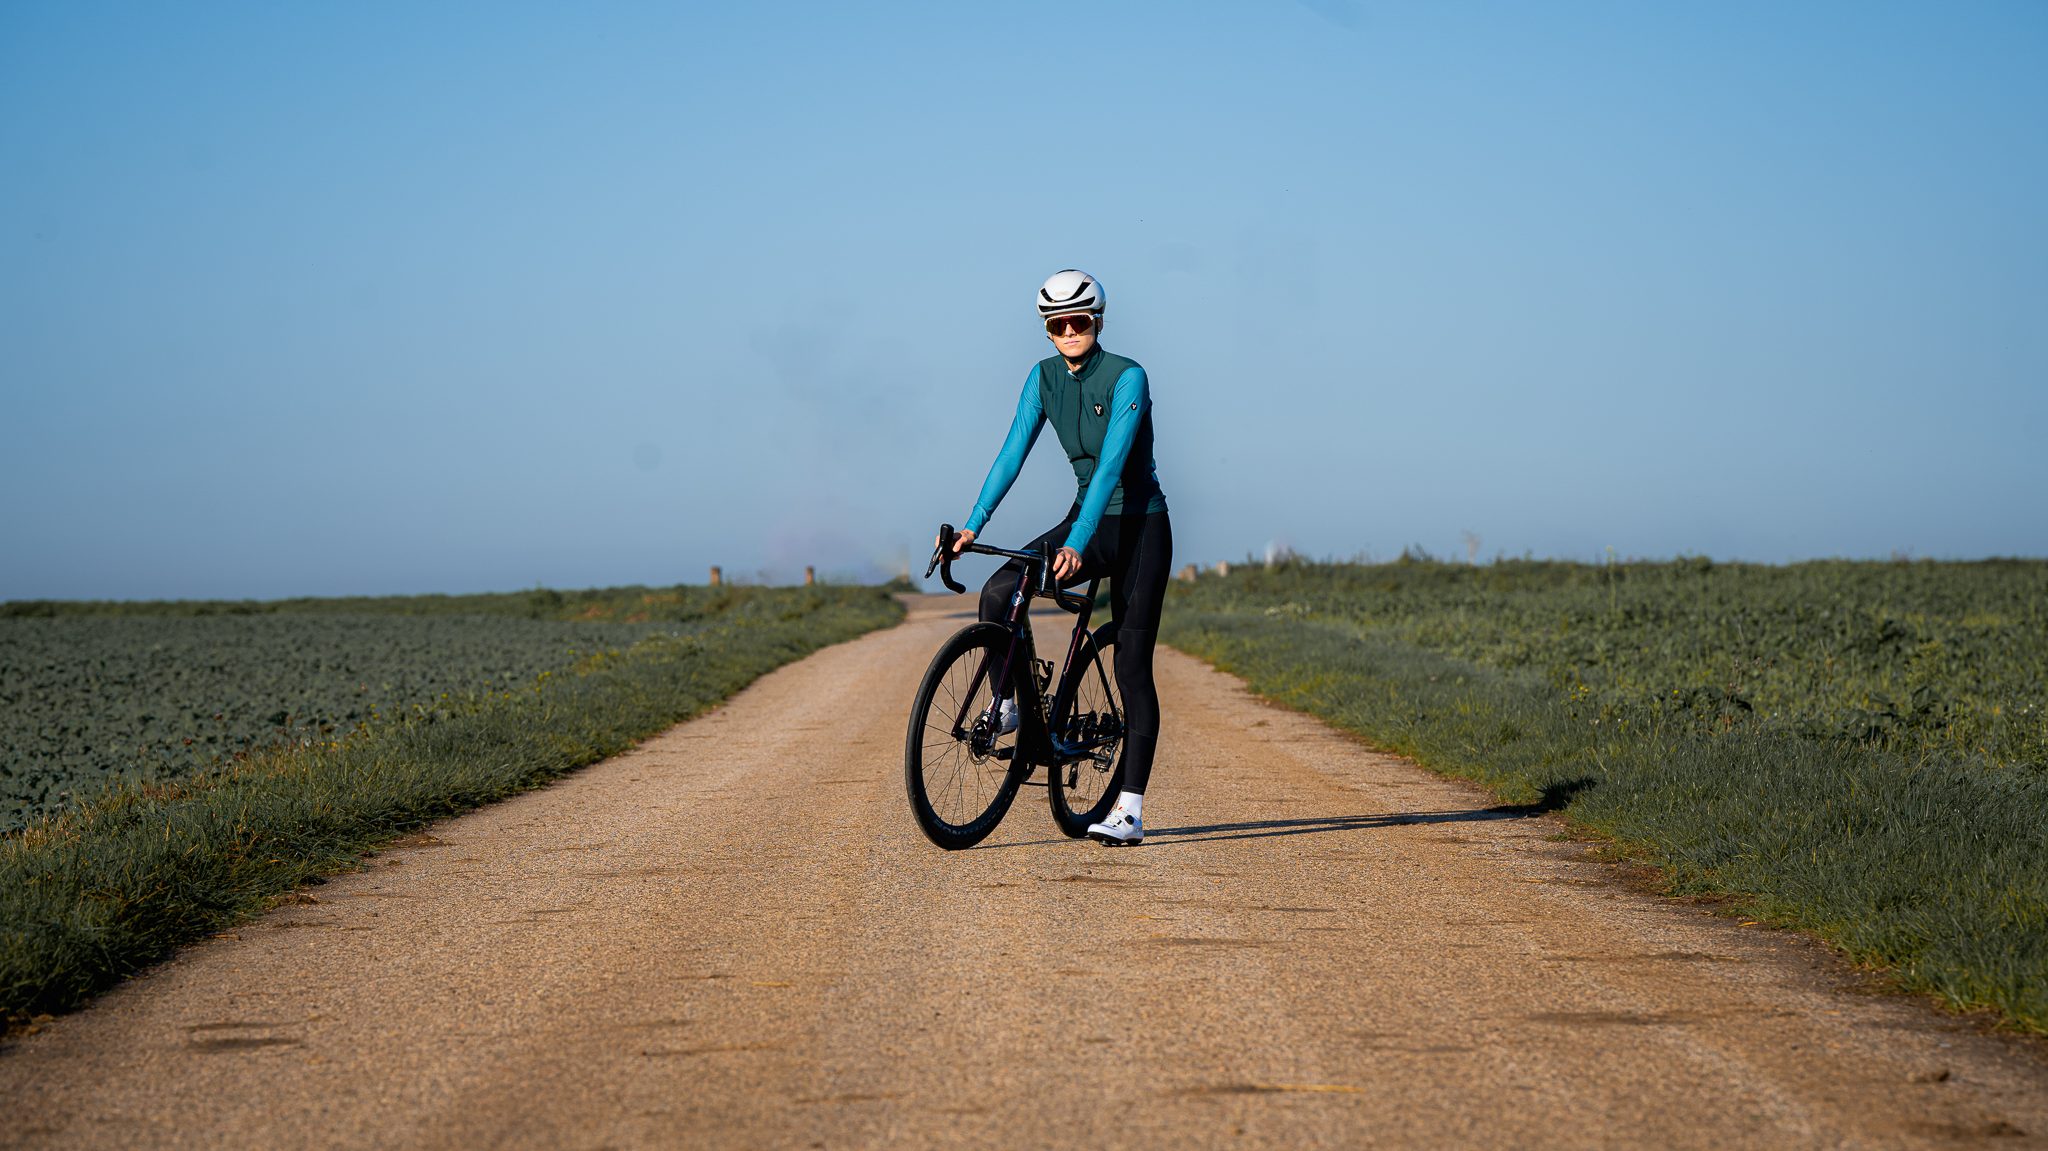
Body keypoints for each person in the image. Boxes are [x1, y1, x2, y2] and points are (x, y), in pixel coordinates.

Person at [947, 269, 1172, 845]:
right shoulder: (1042, 378)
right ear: (1047, 331)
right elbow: (1012, 451)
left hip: (1138, 525)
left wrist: (1078, 542)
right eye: (1058, 324)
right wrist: (973, 524)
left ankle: (1129, 808)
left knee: (1131, 666)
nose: (1069, 331)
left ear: (1098, 321)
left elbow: (1112, 467)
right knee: (1000, 589)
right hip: (1084, 519)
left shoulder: (1128, 377)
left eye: (1080, 321)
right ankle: (1009, 705)